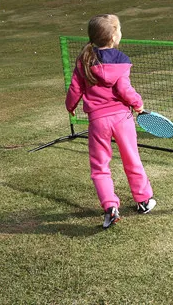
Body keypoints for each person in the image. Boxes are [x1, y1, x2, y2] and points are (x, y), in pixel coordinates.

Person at [65, 14, 156, 229]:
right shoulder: (121, 60)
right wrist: (138, 104)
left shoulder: (84, 60)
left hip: (97, 122)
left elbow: (74, 90)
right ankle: (143, 200)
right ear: (114, 36)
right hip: (122, 119)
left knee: (100, 167)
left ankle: (110, 207)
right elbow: (125, 89)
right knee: (132, 159)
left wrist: (70, 106)